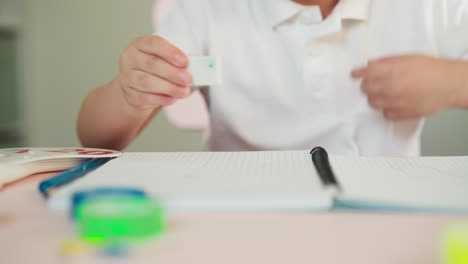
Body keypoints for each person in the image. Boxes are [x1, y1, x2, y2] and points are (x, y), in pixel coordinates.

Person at [77, 0, 468, 155]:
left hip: (386, 218)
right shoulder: (205, 8)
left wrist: (452, 82)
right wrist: (130, 93)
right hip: (240, 218)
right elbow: (96, 138)